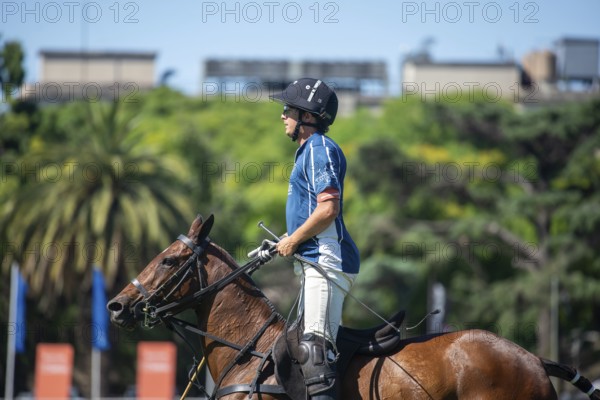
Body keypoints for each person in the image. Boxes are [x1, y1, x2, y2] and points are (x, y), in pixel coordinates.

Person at [269, 78, 360, 400]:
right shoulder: (309, 151)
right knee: (306, 346)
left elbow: (328, 209)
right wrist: (289, 237)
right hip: (316, 257)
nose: (282, 116)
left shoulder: (318, 149)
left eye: (287, 109)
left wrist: (293, 241)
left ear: (307, 116)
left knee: (314, 348)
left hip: (326, 257)